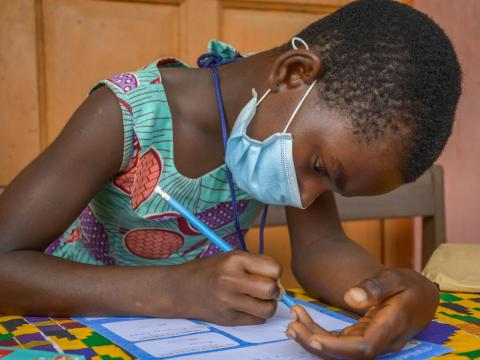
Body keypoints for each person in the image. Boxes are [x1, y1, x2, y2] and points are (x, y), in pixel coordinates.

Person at [0, 0, 461, 358]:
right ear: (294, 74)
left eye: (329, 188)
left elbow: (322, 249)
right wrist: (174, 290)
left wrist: (388, 295)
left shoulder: (290, 131)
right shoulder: (124, 116)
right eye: (321, 170)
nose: (305, 195)